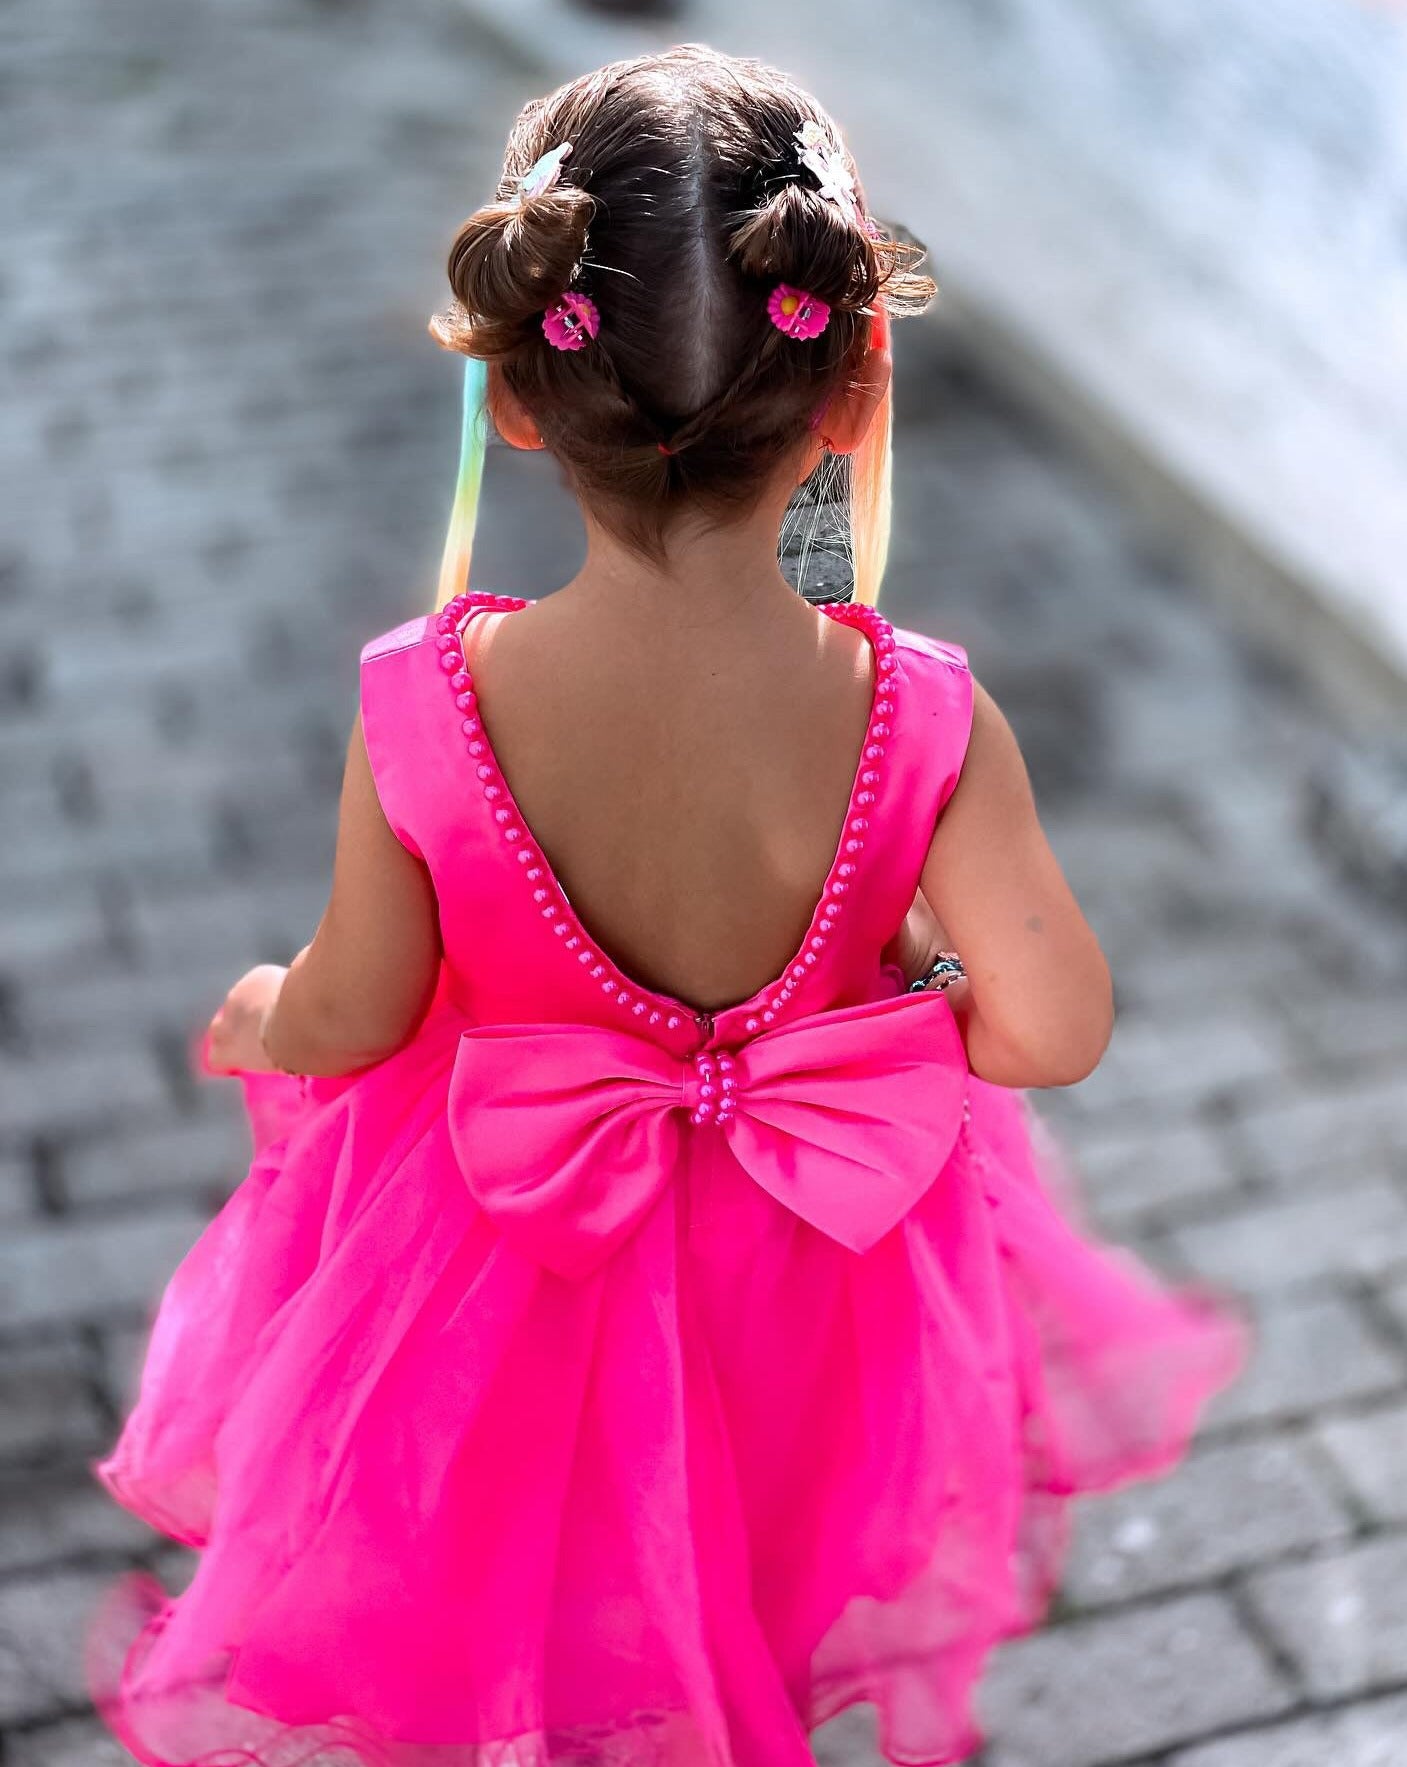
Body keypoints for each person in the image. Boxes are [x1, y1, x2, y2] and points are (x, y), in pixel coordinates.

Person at [85, 46, 1247, 1767]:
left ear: (525, 397)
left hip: (509, 1281)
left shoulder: (430, 701)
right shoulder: (920, 715)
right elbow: (1054, 1028)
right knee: (755, 1560)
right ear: (854, 386)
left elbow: (358, 1009)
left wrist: (264, 1007)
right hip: (809, 1283)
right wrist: (905, 972)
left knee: (534, 1578)